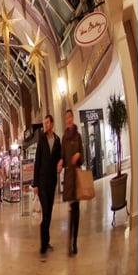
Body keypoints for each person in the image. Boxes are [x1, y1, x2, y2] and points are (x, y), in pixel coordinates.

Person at [32, 114, 62, 256]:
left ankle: (46, 241)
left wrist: (61, 163)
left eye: (47, 122)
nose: (45, 125)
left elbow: (59, 158)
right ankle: (43, 245)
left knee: (49, 212)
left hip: (52, 181)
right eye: (44, 123)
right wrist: (35, 184)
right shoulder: (41, 140)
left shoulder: (57, 140)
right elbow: (37, 162)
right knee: (45, 213)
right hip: (42, 182)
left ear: (52, 123)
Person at [57, 109, 84, 256]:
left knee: (76, 210)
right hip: (68, 177)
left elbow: (83, 155)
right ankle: (70, 241)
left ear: (73, 118)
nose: (68, 120)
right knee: (72, 208)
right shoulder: (64, 138)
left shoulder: (78, 136)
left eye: (69, 117)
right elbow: (62, 155)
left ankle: (74, 242)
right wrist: (61, 162)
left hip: (77, 175)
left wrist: (79, 155)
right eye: (65, 117)